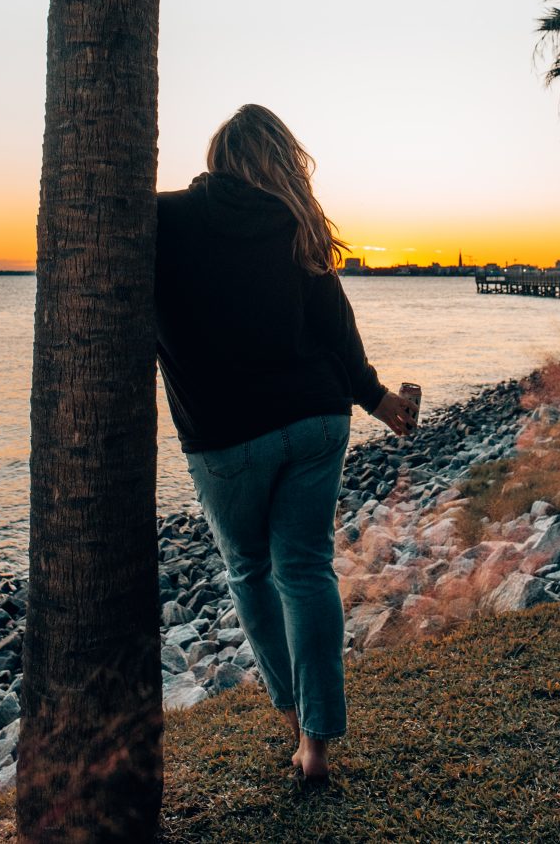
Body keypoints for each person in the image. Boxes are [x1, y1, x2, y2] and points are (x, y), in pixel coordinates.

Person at [155, 104, 418, 780]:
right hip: (316, 423)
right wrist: (381, 401)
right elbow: (337, 331)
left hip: (226, 440)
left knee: (250, 570)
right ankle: (319, 745)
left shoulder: (166, 218)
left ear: (217, 159)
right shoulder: (296, 227)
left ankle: (296, 724)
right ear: (281, 161)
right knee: (304, 570)